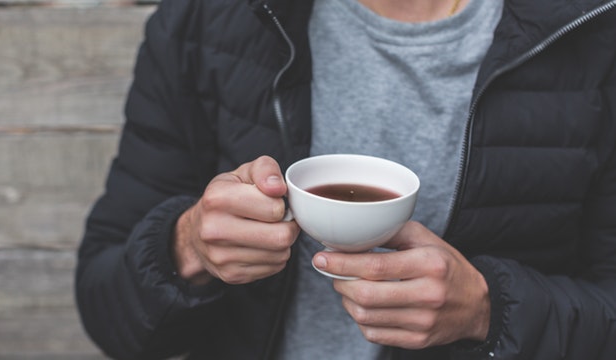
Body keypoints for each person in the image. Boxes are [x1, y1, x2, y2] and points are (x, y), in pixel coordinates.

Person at [74, 0, 616, 359]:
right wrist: (188, 247)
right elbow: (107, 310)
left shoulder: (592, 30)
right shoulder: (211, 17)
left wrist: (488, 309)